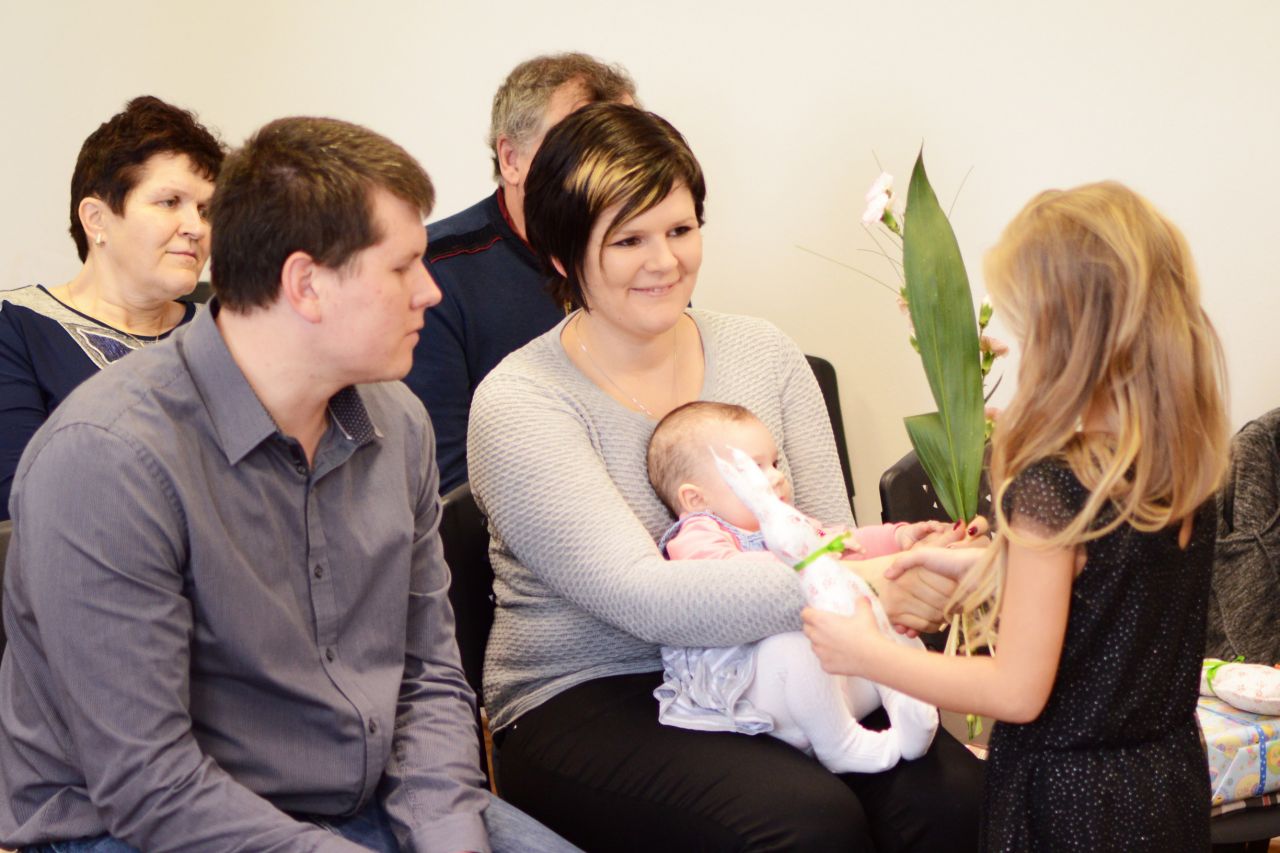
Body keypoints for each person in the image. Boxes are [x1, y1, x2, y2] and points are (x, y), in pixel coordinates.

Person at [0, 116, 578, 853]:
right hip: (151, 827)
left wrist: (448, 833)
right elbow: (151, 785)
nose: (431, 291)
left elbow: (427, 676)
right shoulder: (107, 457)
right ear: (306, 284)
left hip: (369, 800)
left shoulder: (397, 421)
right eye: (402, 268)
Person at [467, 101, 984, 852]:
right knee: (807, 822)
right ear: (561, 257)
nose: (665, 261)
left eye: (680, 230)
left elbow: (829, 535)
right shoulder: (521, 403)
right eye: (628, 240)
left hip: (782, 654)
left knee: (953, 798)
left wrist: (909, 565)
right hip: (590, 689)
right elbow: (646, 600)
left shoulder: (764, 353)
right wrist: (868, 584)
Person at [804, 181, 1231, 851]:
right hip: (1163, 783)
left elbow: (1016, 690)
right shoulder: (1182, 463)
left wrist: (869, 653)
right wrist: (990, 562)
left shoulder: (1051, 488)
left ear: (1067, 336)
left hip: (1068, 802)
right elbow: (1108, 591)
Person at [646, 400, 948, 772]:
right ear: (696, 499)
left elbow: (845, 542)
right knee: (791, 644)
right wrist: (807, 564)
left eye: (775, 463)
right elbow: (728, 577)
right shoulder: (698, 534)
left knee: (881, 614)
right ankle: (840, 745)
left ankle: (910, 708)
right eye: (755, 468)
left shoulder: (789, 523)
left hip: (831, 686)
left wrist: (898, 538)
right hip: (761, 693)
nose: (776, 477)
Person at [404, 52, 636, 494]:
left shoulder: (647, 258)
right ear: (510, 159)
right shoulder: (431, 272)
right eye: (577, 149)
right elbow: (446, 484)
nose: (606, 171)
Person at [0, 95, 224, 520]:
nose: (196, 227)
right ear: (96, 219)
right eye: (169, 202)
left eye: (205, 210)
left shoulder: (229, 329)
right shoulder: (15, 326)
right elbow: (19, 500)